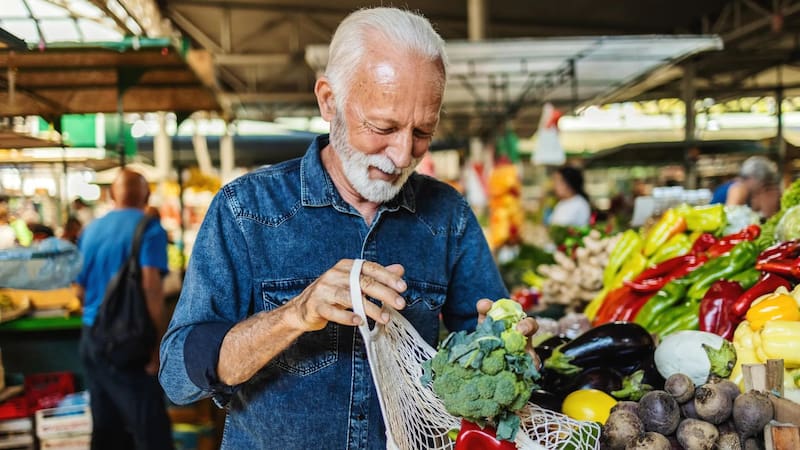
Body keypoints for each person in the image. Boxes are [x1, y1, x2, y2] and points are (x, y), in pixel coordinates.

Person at [159, 7, 538, 449]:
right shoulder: (246, 211)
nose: (402, 155)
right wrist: (295, 315)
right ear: (328, 100)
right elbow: (177, 378)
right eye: (383, 127)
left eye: (422, 132)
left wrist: (512, 354)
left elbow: (488, 344)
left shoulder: (447, 215)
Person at [76, 169, 173, 450]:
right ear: (147, 196)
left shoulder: (90, 230)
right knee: (150, 429)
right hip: (130, 343)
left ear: (111, 195)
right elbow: (151, 288)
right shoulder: (149, 229)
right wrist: (157, 346)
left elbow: (78, 290)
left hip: (91, 337)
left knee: (106, 428)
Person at [711, 155, 781, 217]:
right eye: (763, 183)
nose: (762, 188)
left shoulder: (743, 187)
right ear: (752, 178)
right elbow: (732, 218)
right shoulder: (739, 189)